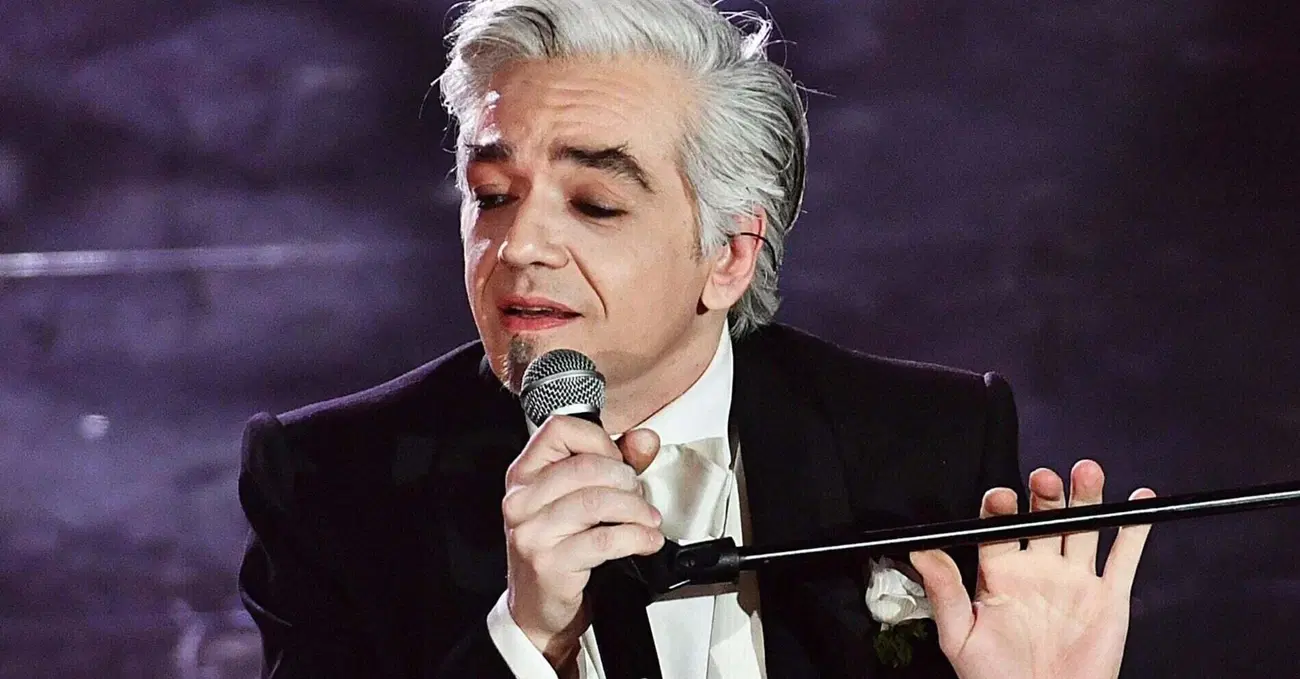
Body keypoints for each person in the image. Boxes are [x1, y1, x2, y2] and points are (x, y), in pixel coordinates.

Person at [237, 1, 1156, 677]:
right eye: (492, 195)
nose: (518, 247)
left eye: (595, 204)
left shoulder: (926, 440)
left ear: (729, 256)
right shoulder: (331, 477)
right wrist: (527, 638)